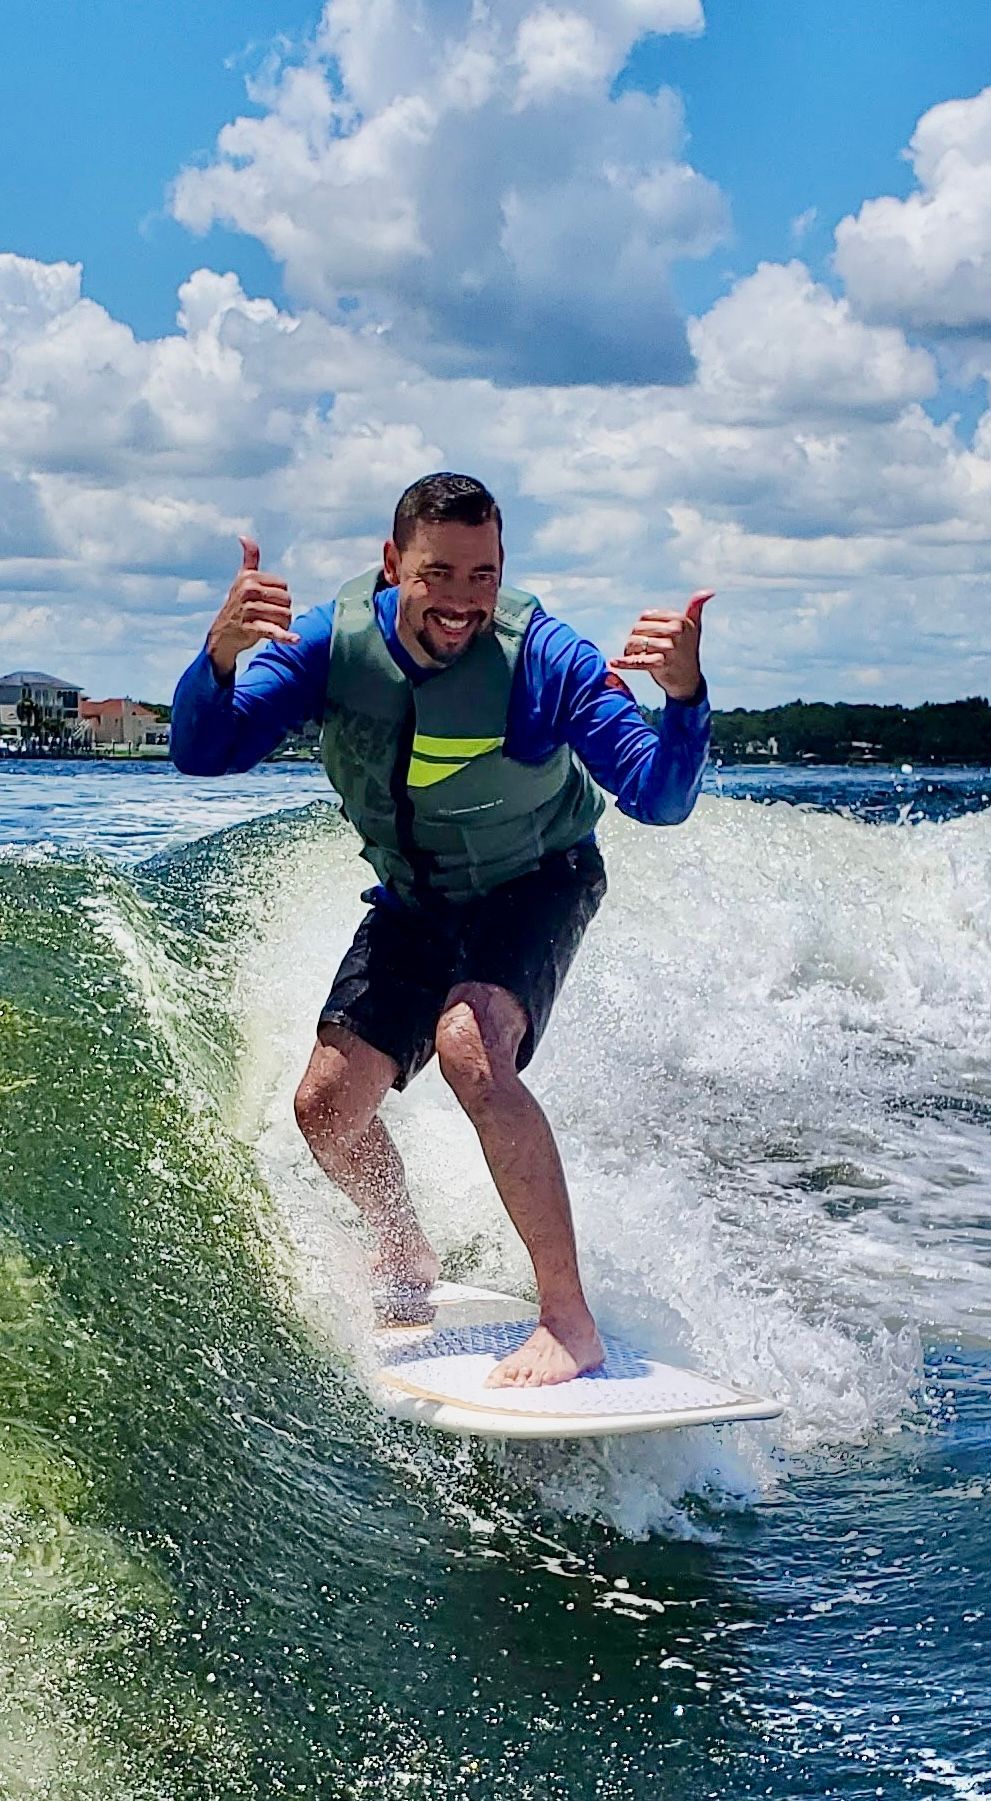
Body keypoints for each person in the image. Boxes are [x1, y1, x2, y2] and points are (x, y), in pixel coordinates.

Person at [171, 472, 712, 1388]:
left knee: (470, 1043)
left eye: (483, 574)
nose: (463, 599)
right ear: (393, 566)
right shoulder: (328, 650)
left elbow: (658, 798)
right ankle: (403, 1249)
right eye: (441, 573)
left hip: (538, 881)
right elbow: (204, 749)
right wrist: (217, 660)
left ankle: (567, 1321)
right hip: (415, 897)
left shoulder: (544, 658)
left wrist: (685, 697)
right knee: (326, 1107)